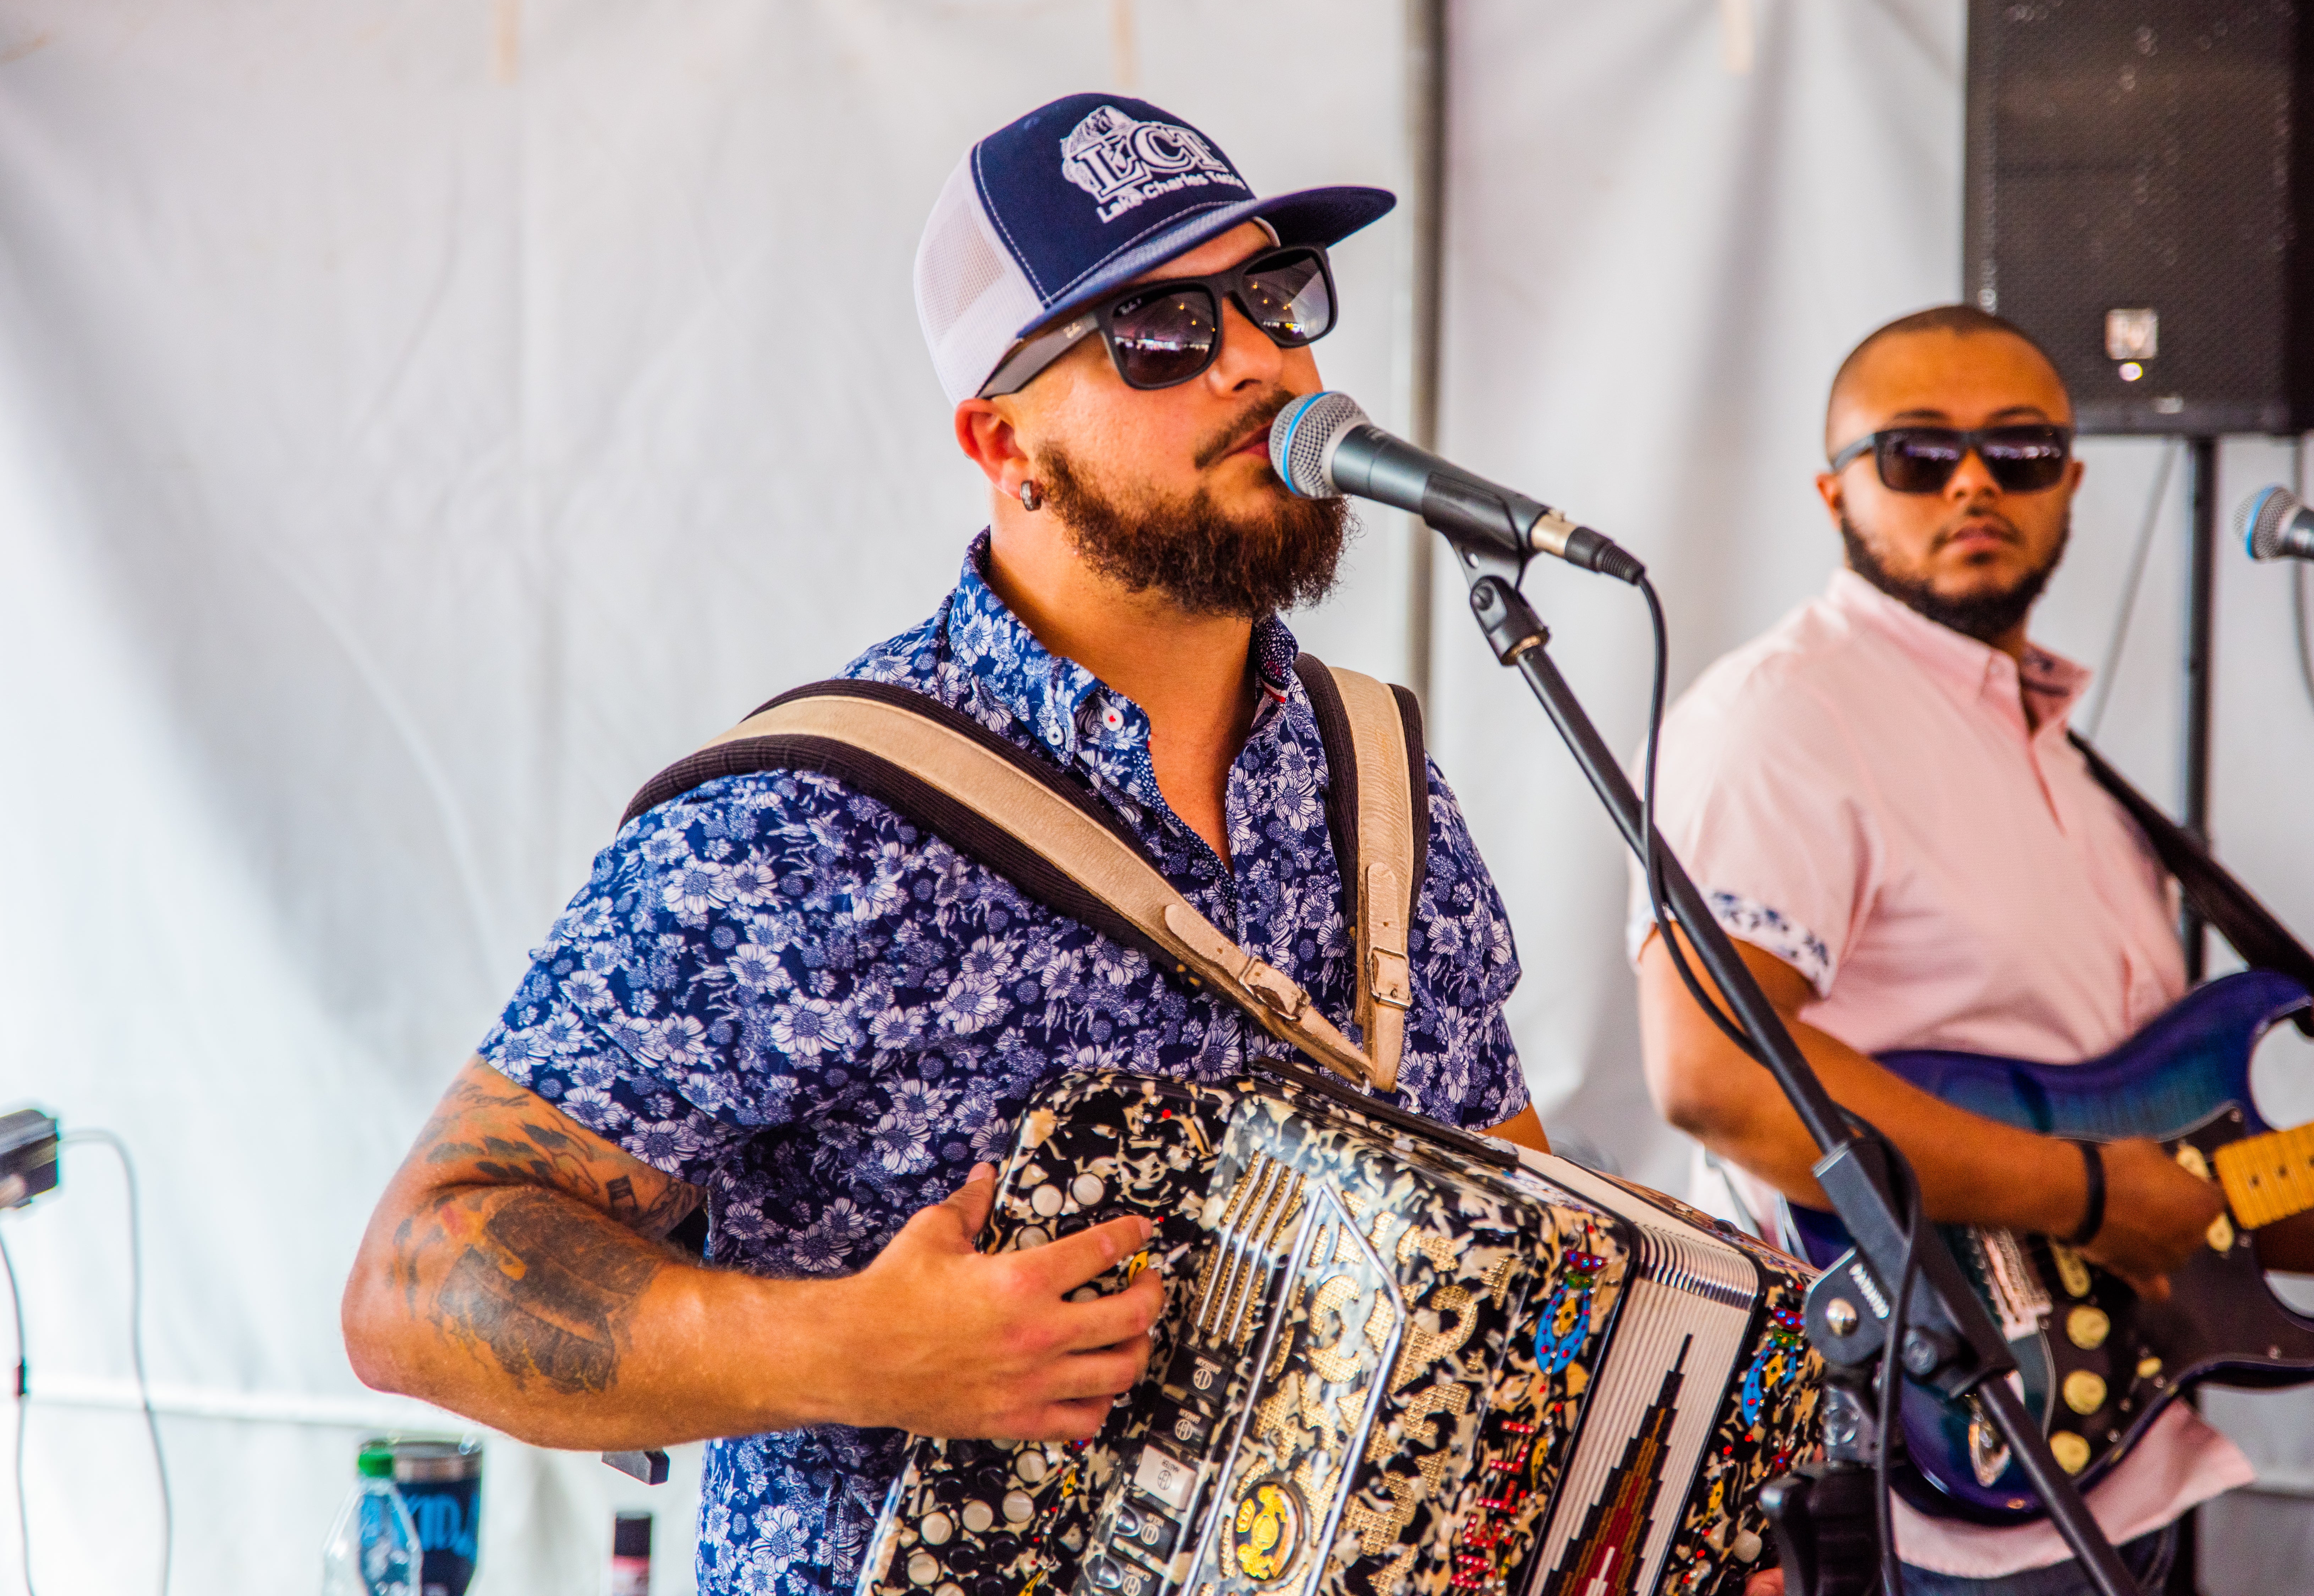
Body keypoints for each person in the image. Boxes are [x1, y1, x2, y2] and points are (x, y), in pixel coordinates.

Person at [342, 93, 1547, 1596]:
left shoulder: (1377, 777)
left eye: (1274, 293)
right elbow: (416, 1276)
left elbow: (1518, 1235)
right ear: (1003, 441)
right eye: (1159, 329)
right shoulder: (801, 823)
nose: (1255, 356)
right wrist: (857, 1350)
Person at [1632, 306, 2314, 1594]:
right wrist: (2085, 1193)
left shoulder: (2064, 766)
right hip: (1904, 1494)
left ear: (2072, 482)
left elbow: (2145, 1161)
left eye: (2021, 452)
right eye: (1918, 454)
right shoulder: (1789, 719)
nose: (1974, 480)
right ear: (1835, 494)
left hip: (2099, 1465)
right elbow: (1716, 1074)